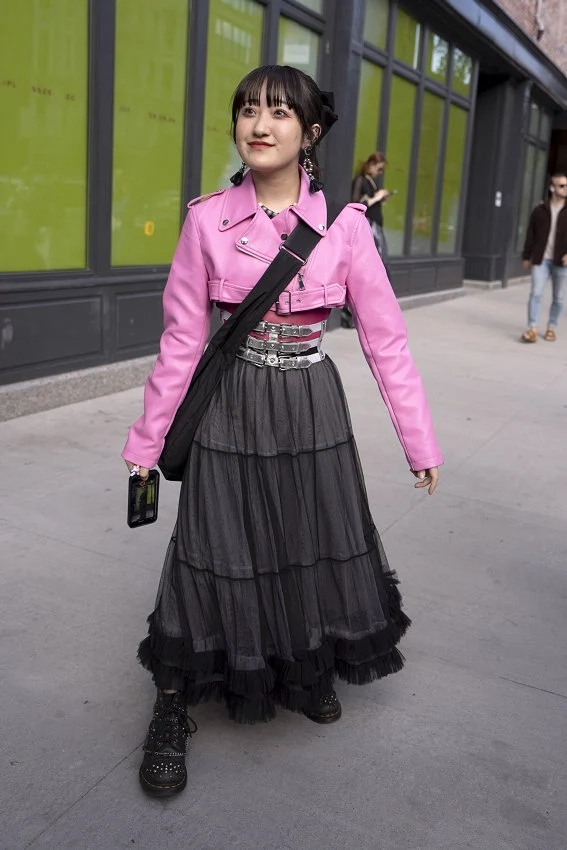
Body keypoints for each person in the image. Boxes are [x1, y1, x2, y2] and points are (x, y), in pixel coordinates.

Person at [122, 65, 443, 798]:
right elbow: (179, 342)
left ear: (310, 131)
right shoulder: (206, 219)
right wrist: (145, 446)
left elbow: (385, 340)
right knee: (209, 547)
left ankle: (302, 669)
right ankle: (172, 704)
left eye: (278, 112)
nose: (258, 124)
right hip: (230, 403)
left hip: (309, 403)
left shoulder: (345, 228)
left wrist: (418, 442)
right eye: (246, 110)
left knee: (305, 541)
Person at [341, 152, 391, 328]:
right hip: (368, 227)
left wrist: (380, 199)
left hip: (376, 226)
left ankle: (366, 312)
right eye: (378, 168)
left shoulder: (371, 181)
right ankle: (352, 313)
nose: (379, 172)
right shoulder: (361, 180)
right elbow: (356, 205)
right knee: (369, 268)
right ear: (370, 164)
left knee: (380, 268)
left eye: (382, 170)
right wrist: (375, 198)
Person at [521, 172, 567, 342]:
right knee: (536, 293)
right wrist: (527, 256)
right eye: (561, 185)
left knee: (559, 298)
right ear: (552, 188)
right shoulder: (539, 210)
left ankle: (551, 327)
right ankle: (532, 328)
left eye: (566, 185)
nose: (565, 189)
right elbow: (530, 234)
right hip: (541, 259)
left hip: (561, 261)